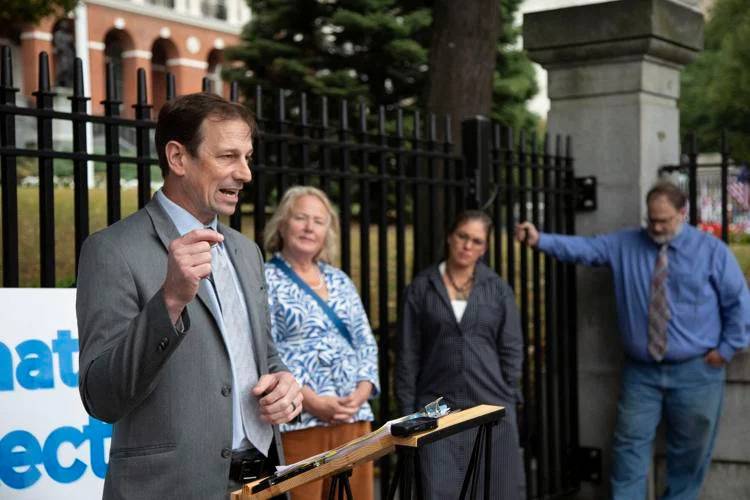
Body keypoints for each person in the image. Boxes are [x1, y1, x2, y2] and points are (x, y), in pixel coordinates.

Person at [76, 93, 303, 500]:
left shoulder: (246, 252)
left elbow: (264, 356)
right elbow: (101, 397)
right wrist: (170, 301)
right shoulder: (111, 251)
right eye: (229, 157)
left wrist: (285, 384)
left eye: (247, 157)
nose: (246, 173)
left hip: (263, 483)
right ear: (178, 158)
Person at [515, 181, 750, 500]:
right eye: (651, 219)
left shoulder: (711, 251)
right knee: (628, 451)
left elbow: (738, 302)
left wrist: (725, 350)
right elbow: (585, 249)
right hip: (642, 373)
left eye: (663, 220)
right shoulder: (625, 244)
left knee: (689, 457)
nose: (655, 226)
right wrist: (539, 239)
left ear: (682, 214)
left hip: (697, 372)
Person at [396, 210, 525, 500]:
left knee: (497, 489)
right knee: (438, 490)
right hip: (436, 409)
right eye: (463, 237)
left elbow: (512, 348)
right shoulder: (421, 287)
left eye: (477, 241)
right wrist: (407, 409)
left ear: (485, 248)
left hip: (491, 406)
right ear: (449, 237)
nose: (468, 246)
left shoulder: (498, 290)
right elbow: (407, 353)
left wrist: (508, 391)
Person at [263, 186, 380, 500]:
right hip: (300, 420)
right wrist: (312, 401)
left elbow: (366, 342)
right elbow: (263, 350)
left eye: (318, 221)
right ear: (283, 224)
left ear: (328, 231)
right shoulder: (264, 279)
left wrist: (361, 393)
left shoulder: (340, 279)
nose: (309, 227)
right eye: (300, 218)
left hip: (353, 418)